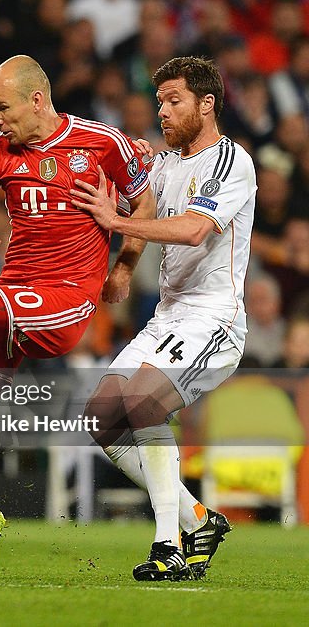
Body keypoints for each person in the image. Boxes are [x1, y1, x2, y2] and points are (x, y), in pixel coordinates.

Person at [0, 55, 153, 578]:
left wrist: (124, 267)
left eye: (2, 108)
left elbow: (144, 202)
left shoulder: (102, 143)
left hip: (66, 300)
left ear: (37, 100)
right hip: (13, 296)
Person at [70, 56, 255, 581]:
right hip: (168, 316)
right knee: (102, 417)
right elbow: (145, 215)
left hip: (214, 319)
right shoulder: (165, 165)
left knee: (143, 403)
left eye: (174, 101)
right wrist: (124, 266)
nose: (164, 112)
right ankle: (198, 519)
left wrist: (115, 220)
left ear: (206, 104)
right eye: (160, 103)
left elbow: (196, 229)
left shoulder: (229, 161)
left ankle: (166, 544)